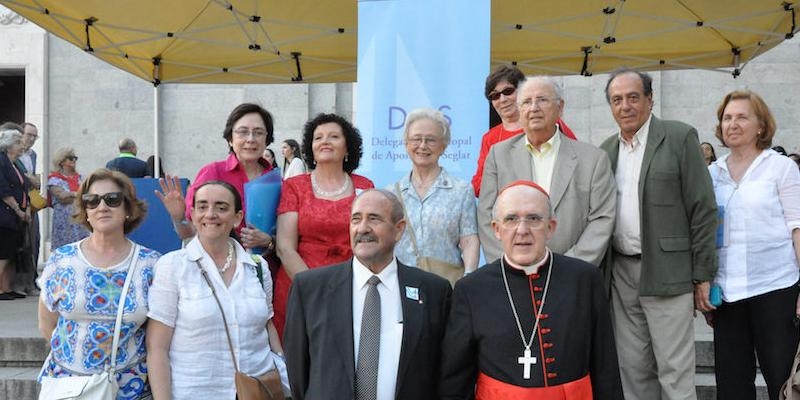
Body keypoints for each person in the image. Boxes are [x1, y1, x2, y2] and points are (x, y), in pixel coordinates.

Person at [440, 181, 623, 399]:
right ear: (496, 230)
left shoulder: (584, 279)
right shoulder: (471, 289)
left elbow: (605, 366)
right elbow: (455, 378)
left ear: (551, 228)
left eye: (534, 219)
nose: (522, 230)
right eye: (511, 219)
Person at [599, 68, 718, 400]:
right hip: (621, 275)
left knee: (675, 373)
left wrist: (702, 274)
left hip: (668, 272)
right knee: (633, 372)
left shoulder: (678, 137)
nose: (625, 106)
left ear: (650, 100)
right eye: (617, 99)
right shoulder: (606, 149)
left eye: (633, 97)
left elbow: (703, 207)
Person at [284, 189, 452, 400]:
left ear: (398, 229)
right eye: (356, 219)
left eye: (374, 219)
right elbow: (298, 371)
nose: (363, 228)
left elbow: (444, 372)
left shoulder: (434, 292)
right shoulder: (309, 288)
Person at [147, 180, 289, 399]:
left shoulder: (259, 268)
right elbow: (157, 348)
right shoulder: (172, 266)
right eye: (202, 207)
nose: (210, 214)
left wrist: (283, 374)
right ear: (192, 214)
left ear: (237, 217)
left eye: (221, 207)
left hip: (258, 391)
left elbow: (267, 327)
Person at [706, 90, 800, 400]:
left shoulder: (781, 168)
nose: (732, 123)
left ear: (761, 125)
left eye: (742, 117)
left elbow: (797, 228)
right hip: (728, 295)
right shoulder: (712, 173)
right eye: (727, 118)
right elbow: (705, 233)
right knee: (732, 387)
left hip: (776, 289)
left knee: (782, 382)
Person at [37, 168, 160, 399]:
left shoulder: (151, 264)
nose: (102, 207)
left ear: (127, 208)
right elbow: (47, 323)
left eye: (112, 199)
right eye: (91, 201)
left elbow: (156, 336)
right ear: (85, 211)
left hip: (129, 388)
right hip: (68, 387)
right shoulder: (62, 260)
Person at [478, 76, 615, 266]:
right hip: (513, 275)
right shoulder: (498, 155)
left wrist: (571, 267)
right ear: (519, 109)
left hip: (572, 276)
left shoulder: (593, 159)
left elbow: (602, 218)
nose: (534, 108)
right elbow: (486, 215)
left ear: (560, 108)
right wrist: (509, 264)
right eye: (526, 102)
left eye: (542, 100)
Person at [273, 113, 375, 336]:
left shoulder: (365, 186)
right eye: (318, 137)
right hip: (301, 286)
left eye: (334, 136)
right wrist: (315, 288)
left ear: (347, 148)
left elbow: (371, 240)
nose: (325, 141)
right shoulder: (294, 186)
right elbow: (285, 247)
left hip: (351, 288)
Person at [158, 103, 276, 252]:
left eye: (258, 132)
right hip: (219, 265)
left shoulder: (275, 180)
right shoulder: (213, 172)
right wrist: (178, 216)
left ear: (267, 139)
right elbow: (187, 232)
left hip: (267, 268)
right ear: (230, 139)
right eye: (243, 132)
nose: (251, 139)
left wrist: (269, 241)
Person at [389, 108, 479, 277]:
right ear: (406, 144)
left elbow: (469, 239)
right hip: (401, 284)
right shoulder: (391, 193)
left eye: (431, 140)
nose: (423, 146)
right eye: (416, 139)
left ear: (443, 146)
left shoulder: (461, 191)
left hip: (446, 286)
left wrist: (469, 278)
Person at [471, 64, 577, 197]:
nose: (502, 99)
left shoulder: (552, 124)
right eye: (495, 96)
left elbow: (575, 164)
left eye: (508, 91)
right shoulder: (490, 138)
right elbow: (479, 186)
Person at [0, 124, 30, 301]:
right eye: (18, 142)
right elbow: (3, 190)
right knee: (3, 252)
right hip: (5, 214)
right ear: (9, 144)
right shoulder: (1, 160)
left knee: (11, 252)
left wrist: (26, 209)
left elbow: (24, 188)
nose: (22, 144)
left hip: (16, 216)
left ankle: (7, 287)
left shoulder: (15, 164)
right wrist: (19, 211)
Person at [15, 122, 41, 295]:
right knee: (18, 244)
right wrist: (28, 178)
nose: (31, 139)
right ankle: (18, 283)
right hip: (16, 203)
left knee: (34, 242)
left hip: (31, 203)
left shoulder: (33, 155)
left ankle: (31, 281)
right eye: (28, 135)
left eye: (34, 136)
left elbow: (34, 180)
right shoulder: (10, 155)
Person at [48, 147, 89, 250]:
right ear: (61, 161)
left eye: (75, 158)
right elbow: (62, 197)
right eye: (71, 158)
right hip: (64, 222)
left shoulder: (80, 178)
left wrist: (71, 194)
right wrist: (78, 195)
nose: (74, 160)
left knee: (82, 248)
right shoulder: (55, 179)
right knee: (63, 249)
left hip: (80, 220)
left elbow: (87, 196)